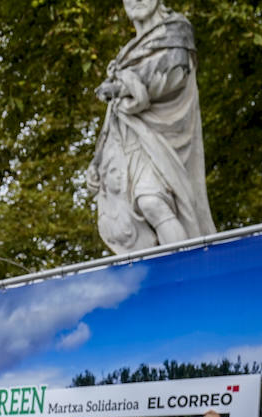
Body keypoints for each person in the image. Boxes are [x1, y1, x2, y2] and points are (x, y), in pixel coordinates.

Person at [86, 0, 215, 252]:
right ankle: (166, 273)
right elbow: (112, 116)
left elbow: (175, 72)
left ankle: (189, 270)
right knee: (141, 214)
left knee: (151, 202)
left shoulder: (176, 30)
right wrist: (97, 161)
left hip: (163, 140)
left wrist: (124, 86)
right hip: (129, 142)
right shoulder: (127, 53)